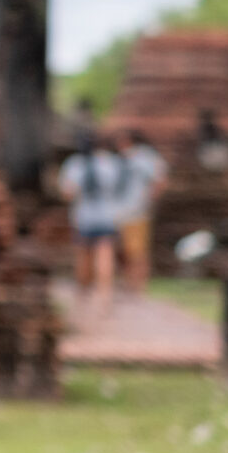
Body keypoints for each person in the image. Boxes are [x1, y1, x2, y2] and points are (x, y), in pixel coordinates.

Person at [58, 129, 128, 317]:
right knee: (105, 255)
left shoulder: (75, 164)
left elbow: (67, 192)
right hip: (107, 215)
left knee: (84, 257)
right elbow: (119, 187)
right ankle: (104, 296)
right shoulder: (109, 163)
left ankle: (83, 295)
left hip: (84, 217)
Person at [115, 127, 169, 297]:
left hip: (137, 212)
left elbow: (160, 181)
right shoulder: (122, 159)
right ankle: (128, 281)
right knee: (122, 250)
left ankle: (138, 286)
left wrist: (147, 200)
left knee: (138, 251)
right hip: (119, 212)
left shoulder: (145, 157)